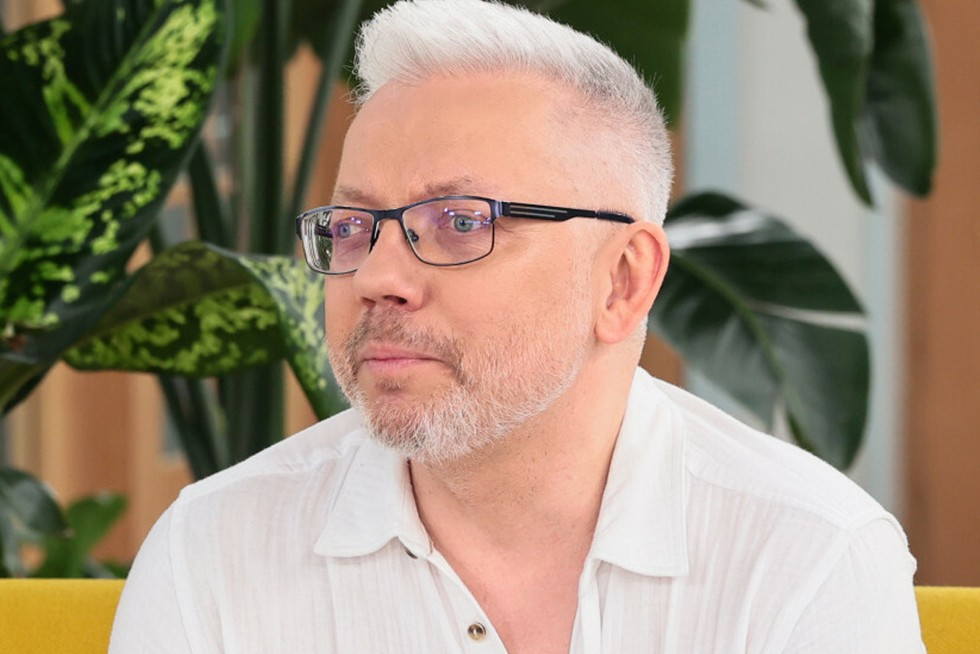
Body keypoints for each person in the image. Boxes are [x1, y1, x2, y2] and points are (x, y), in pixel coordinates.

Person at [109, 1, 925, 652]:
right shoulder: (212, 553)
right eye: (353, 228)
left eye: (460, 223)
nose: (379, 279)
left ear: (623, 280)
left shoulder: (806, 556)